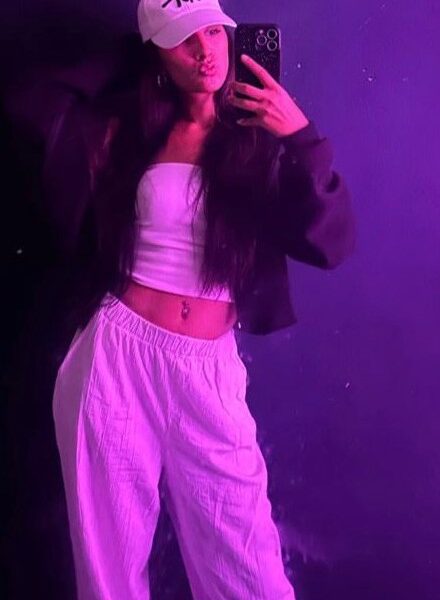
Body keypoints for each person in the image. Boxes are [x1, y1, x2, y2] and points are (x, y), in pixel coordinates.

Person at [9, 0, 356, 598]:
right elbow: (28, 104)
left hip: (205, 369)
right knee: (108, 573)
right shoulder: (128, 134)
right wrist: (130, 57)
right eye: (183, 39)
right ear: (156, 57)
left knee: (248, 571)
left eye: (214, 31)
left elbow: (333, 244)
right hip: (115, 359)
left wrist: (301, 137)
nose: (205, 51)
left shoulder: (257, 142)